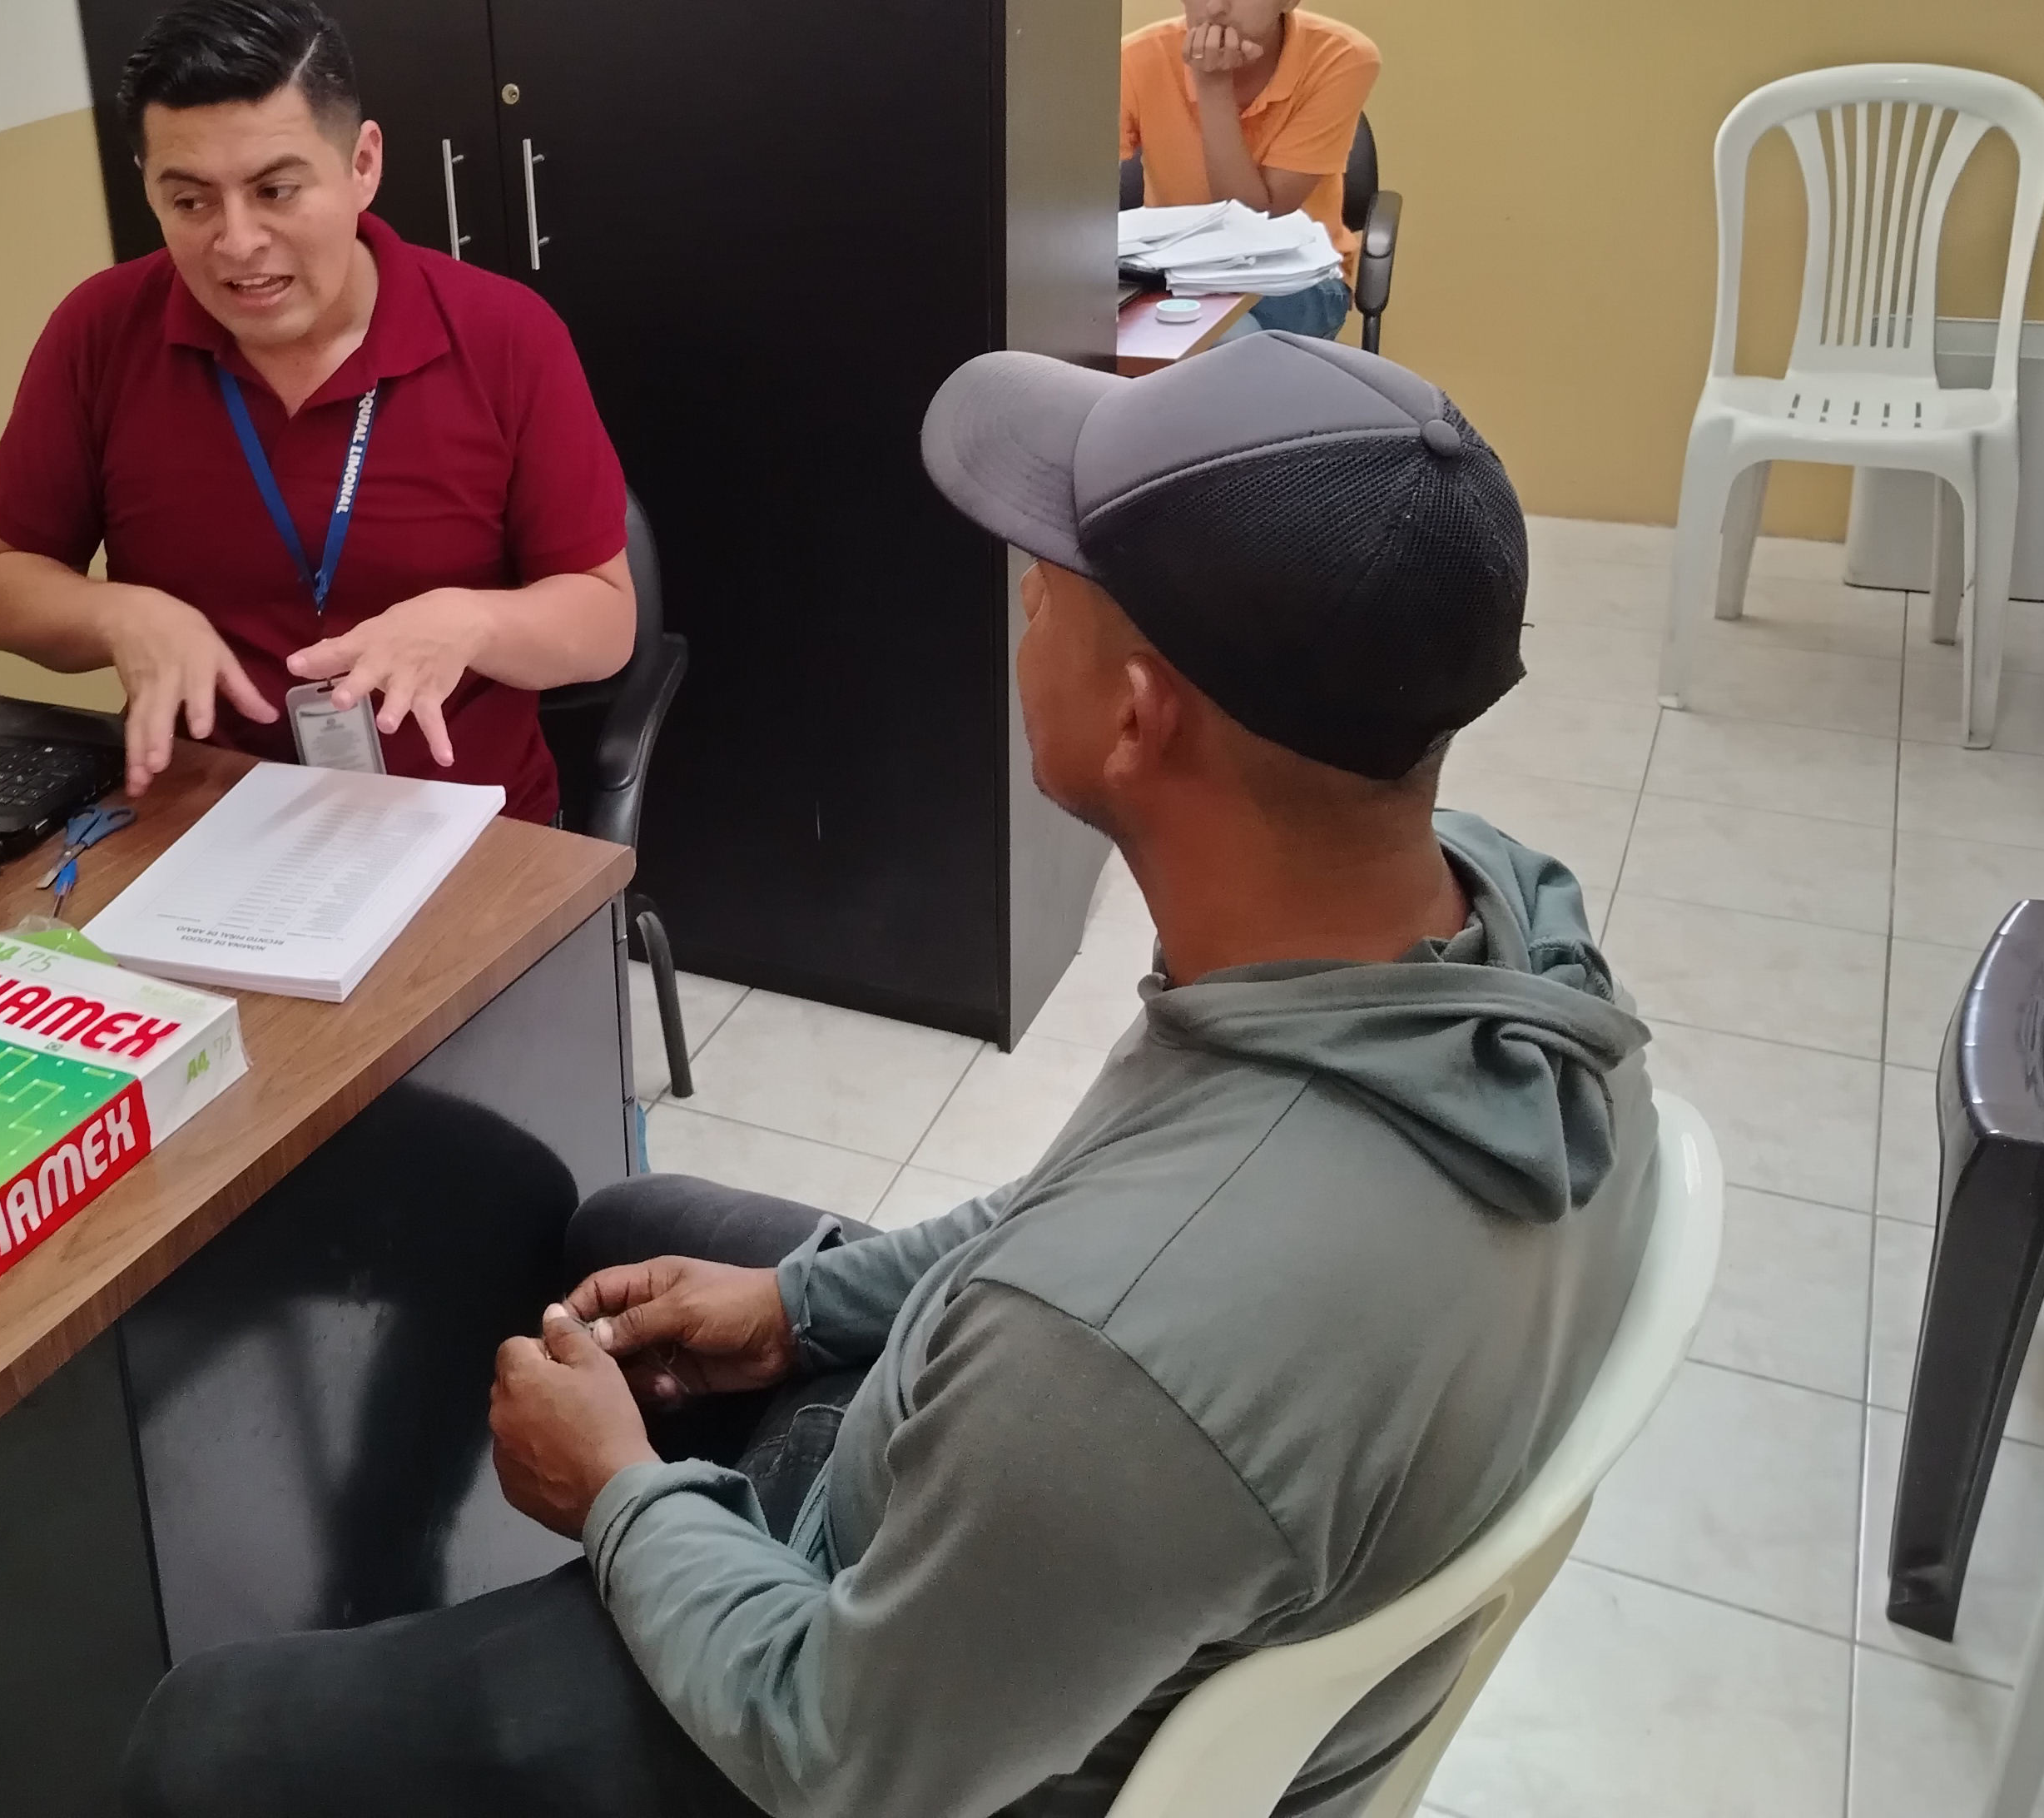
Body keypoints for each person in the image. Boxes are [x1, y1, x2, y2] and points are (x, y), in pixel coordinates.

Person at [122, 330, 1658, 1818]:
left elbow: (838, 1753)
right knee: (623, 1227)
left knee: (200, 1744)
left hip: (882, 1726)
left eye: (1045, 592)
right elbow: (1082, 1215)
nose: (1020, 612)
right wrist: (798, 1307)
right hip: (1056, 1530)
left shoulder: (1122, 1357)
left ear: (1139, 718)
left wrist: (619, 1496)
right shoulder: (1491, 931)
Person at [0, 0, 634, 820]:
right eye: (190, 201)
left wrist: (472, 624)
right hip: (201, 817)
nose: (237, 242)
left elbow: (605, 622)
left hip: (465, 826)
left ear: (362, 165)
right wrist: (116, 614)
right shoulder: (100, 330)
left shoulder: (504, 335)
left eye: (276, 191)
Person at [1121, 0, 1381, 342]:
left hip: (1293, 275)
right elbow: (1065, 188)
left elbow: (1255, 220)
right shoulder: (1138, 57)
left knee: (1219, 339)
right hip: (1172, 269)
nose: (1215, 6)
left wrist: (1212, 86)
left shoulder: (1342, 57)